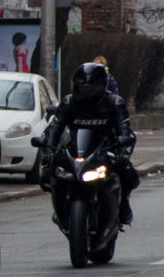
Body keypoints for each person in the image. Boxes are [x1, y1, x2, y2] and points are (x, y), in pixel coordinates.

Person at [39, 62, 138, 225]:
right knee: (49, 172)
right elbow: (54, 128)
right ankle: (61, 206)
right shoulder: (68, 103)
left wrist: (123, 154)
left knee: (128, 173)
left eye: (88, 88)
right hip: (75, 150)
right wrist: (48, 151)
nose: (83, 91)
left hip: (105, 150)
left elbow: (124, 130)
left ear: (100, 86)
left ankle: (124, 204)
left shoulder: (114, 103)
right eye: (80, 87)